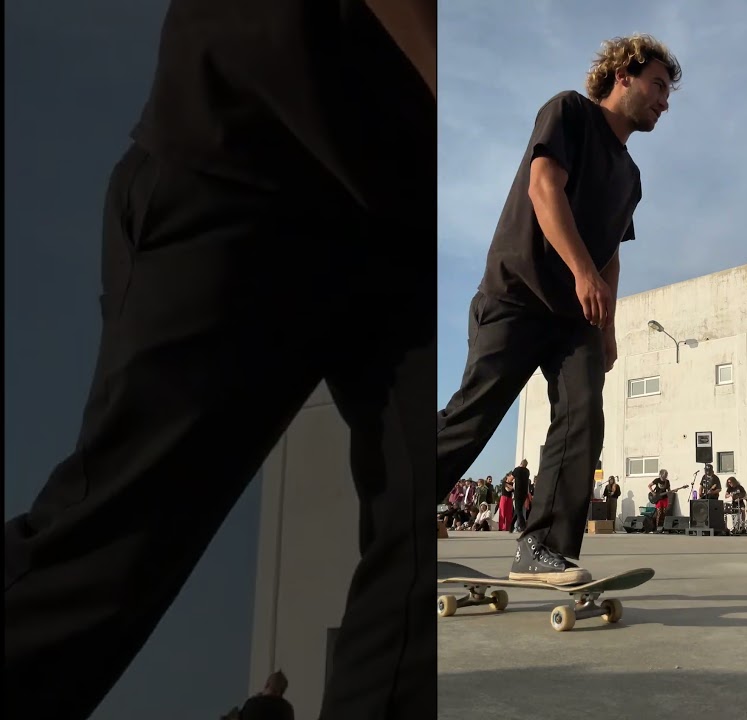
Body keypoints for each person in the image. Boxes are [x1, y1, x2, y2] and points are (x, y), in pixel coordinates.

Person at [3, 2, 435, 719]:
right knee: (115, 539)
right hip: (241, 158)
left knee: (424, 526)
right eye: (660, 86)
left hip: (397, 220)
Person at [436, 34, 680, 585]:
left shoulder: (631, 176)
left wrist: (609, 327)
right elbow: (543, 189)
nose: (665, 100)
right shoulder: (569, 110)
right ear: (624, 75)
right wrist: (582, 273)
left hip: (575, 318)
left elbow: (611, 252)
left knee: (583, 418)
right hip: (517, 295)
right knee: (473, 417)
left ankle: (541, 547)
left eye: (669, 92)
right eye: (658, 85)